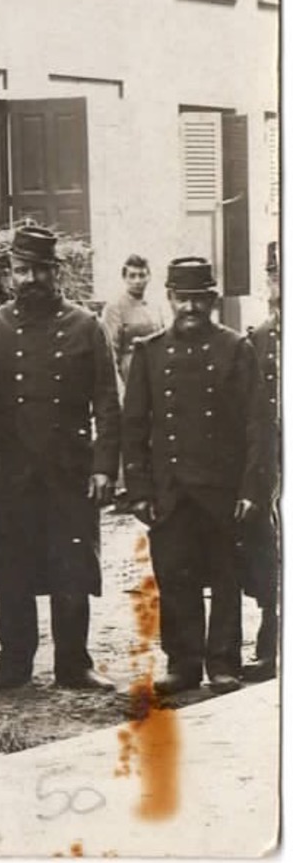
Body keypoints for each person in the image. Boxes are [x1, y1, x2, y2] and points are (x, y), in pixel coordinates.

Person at [0, 226, 120, 693]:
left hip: (69, 473)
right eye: (21, 270)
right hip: (11, 477)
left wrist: (102, 467)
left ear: (56, 273)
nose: (30, 278)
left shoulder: (85, 327)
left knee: (71, 571)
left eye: (39, 270)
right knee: (12, 571)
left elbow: (107, 404)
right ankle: (14, 664)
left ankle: (74, 665)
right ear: (8, 276)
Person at [123, 257, 269, 696]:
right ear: (169, 298)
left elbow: (256, 426)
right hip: (170, 492)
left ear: (212, 300)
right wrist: (139, 491)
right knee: (174, 576)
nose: (190, 308)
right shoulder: (149, 353)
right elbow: (134, 428)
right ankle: (183, 664)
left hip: (221, 490)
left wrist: (251, 488)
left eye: (199, 299)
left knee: (225, 576)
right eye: (182, 298)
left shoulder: (236, 349)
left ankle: (223, 662)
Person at [242, 242, 279, 682]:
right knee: (272, 554)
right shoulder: (258, 340)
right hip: (273, 465)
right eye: (274, 277)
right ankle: (270, 646)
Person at [101, 254, 171, 384]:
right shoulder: (115, 306)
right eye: (132, 276)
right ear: (124, 278)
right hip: (130, 372)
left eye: (142, 275)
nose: (137, 281)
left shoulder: (155, 305)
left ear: (149, 277)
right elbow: (110, 350)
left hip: (155, 369)